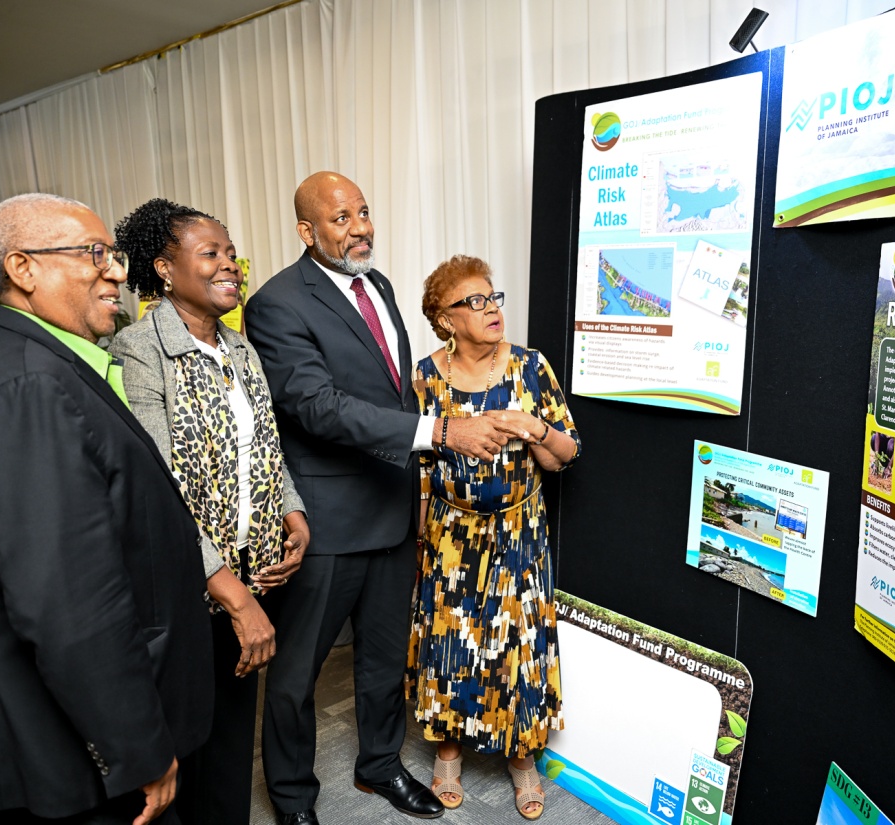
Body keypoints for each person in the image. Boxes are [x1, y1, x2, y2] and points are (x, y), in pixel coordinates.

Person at [0, 193, 212, 824]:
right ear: (23, 268)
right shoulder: (28, 387)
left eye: (113, 256)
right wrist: (137, 747)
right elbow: (68, 602)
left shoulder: (44, 366)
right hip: (68, 750)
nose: (116, 273)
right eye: (94, 254)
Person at [245, 172, 511, 825]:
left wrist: (417, 489)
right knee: (296, 675)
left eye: (363, 212)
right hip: (326, 522)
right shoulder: (277, 303)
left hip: (391, 511)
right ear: (307, 230)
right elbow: (317, 407)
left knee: (386, 658)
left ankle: (381, 765)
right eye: (341, 218)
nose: (360, 227)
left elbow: (390, 393)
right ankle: (292, 797)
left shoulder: (379, 285)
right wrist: (440, 432)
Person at [109, 198, 311, 825]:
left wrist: (293, 512)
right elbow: (158, 490)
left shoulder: (241, 349)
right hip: (188, 585)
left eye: (232, 254)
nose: (230, 265)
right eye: (211, 254)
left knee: (230, 736)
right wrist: (235, 598)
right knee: (184, 741)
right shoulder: (139, 351)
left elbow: (265, 447)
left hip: (253, 569)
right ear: (165, 269)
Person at [409, 255, 581, 821]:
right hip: (450, 534)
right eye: (474, 302)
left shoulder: (531, 367)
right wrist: (418, 537)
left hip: (518, 532)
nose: (491, 309)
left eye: (493, 297)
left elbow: (565, 456)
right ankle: (449, 753)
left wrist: (536, 429)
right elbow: (416, 464)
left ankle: (522, 758)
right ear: (445, 318)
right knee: (451, 646)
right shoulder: (425, 376)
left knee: (517, 647)